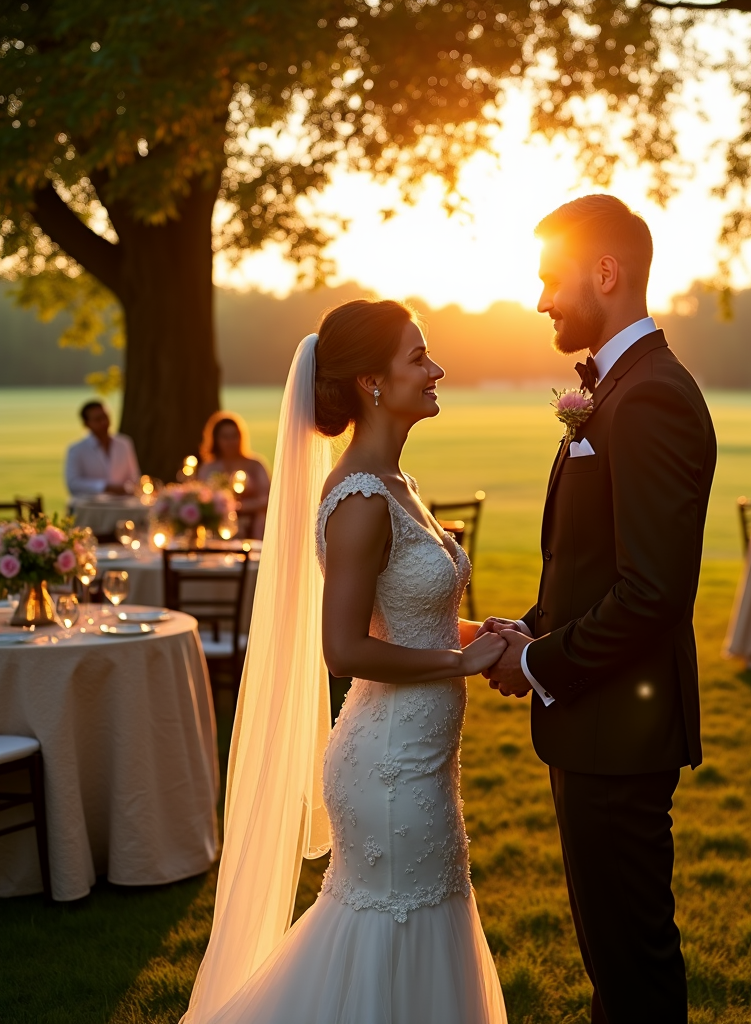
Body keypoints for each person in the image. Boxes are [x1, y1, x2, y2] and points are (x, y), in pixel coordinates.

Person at [181, 300, 508, 1024]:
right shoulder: (360, 501)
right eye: (418, 357)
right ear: (371, 382)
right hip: (386, 762)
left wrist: (481, 631)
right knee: (390, 928)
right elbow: (344, 649)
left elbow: (404, 618)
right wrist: (460, 664)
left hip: (420, 756)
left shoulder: (401, 486)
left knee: (424, 921)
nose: (437, 371)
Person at [480, 195, 717, 1024]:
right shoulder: (615, 387)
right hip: (596, 727)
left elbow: (652, 591)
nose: (541, 300)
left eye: (552, 278)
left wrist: (539, 665)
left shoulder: (651, 396)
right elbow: (594, 564)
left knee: (634, 972)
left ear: (606, 272)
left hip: (620, 734)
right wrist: (531, 628)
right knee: (612, 966)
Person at [197, 412, 272, 539]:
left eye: (234, 436)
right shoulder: (208, 468)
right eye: (225, 437)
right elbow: (201, 498)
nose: (230, 442)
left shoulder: (256, 465)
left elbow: (268, 499)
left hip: (253, 525)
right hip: (218, 526)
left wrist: (239, 507)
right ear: (216, 439)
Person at [64, 400, 140, 498]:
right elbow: (73, 484)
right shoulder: (77, 450)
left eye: (105, 417)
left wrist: (129, 488)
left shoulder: (124, 444)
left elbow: (134, 476)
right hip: (90, 506)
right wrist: (104, 487)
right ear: (86, 424)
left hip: (122, 504)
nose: (103, 422)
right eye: (98, 419)